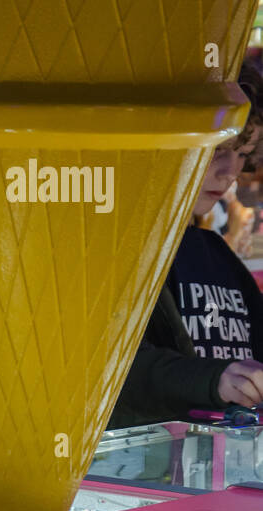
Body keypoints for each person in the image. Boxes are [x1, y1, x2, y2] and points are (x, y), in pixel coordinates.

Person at [109, 65, 263, 428]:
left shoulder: (214, 250)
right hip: (144, 471)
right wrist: (214, 380)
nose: (230, 171)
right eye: (217, 150)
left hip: (216, 466)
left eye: (244, 154)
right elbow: (109, 372)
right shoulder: (118, 249)